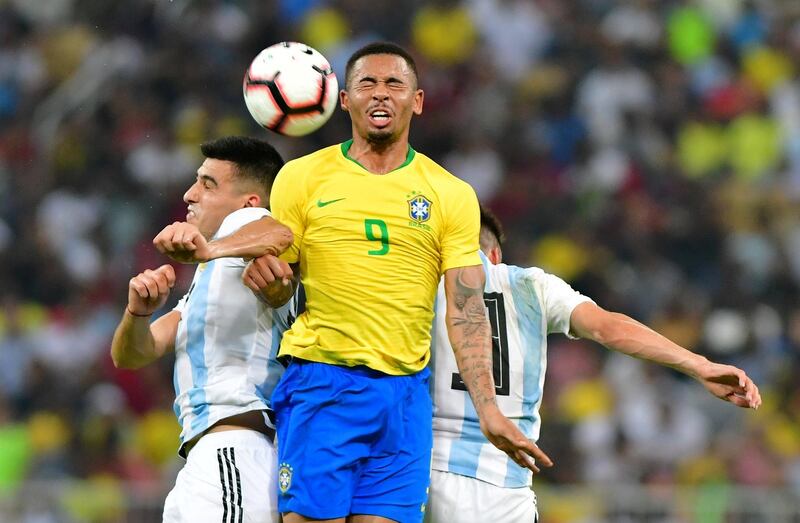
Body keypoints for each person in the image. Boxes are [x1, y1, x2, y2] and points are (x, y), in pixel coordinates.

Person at [220, 41, 547, 523]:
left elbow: (465, 310)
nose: (380, 94)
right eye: (366, 84)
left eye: (394, 83)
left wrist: (489, 411)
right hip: (323, 381)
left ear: (416, 100)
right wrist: (271, 284)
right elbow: (282, 286)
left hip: (406, 399)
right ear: (344, 100)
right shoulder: (301, 177)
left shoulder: (451, 194)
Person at [424, 206, 762, 523]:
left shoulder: (420, 287)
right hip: (503, 485)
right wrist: (699, 365)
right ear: (495, 254)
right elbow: (607, 327)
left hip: (421, 472)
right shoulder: (531, 285)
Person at [110, 136, 296, 523]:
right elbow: (130, 354)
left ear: (249, 201)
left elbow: (280, 232)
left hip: (236, 449)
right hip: (205, 456)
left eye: (208, 184)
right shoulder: (211, 273)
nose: (189, 193)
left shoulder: (245, 229)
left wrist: (207, 249)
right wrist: (137, 313)